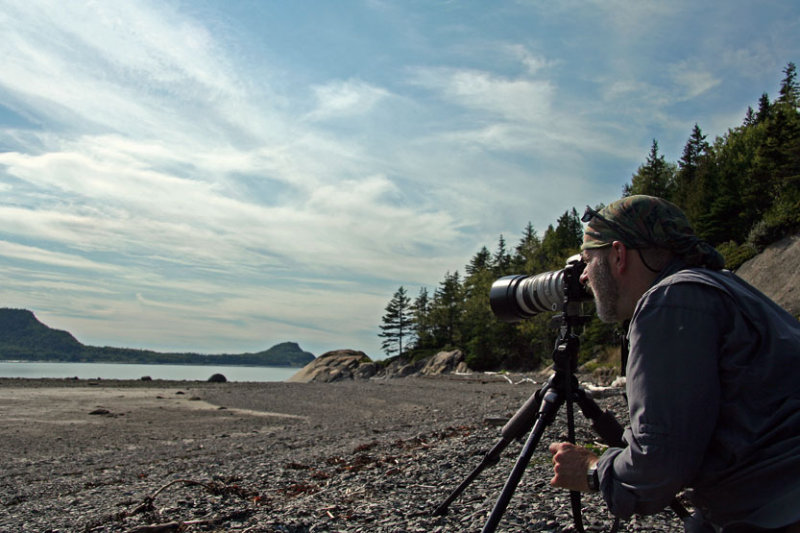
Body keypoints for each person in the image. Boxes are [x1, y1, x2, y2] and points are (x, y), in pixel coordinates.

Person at [548, 195, 800, 533]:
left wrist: (593, 470)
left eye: (588, 259)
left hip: (775, 507)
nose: (583, 277)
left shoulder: (670, 301)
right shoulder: (723, 286)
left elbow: (657, 468)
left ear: (618, 255)